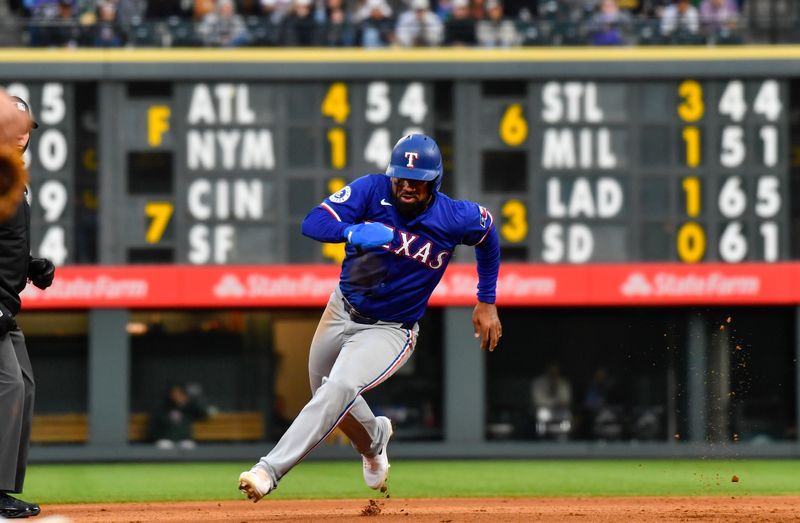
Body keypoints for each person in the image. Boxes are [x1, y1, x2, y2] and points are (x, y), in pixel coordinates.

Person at [238, 133, 502, 502]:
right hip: (341, 308)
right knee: (328, 394)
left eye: (417, 180)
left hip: (391, 330)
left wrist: (486, 299)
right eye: (401, 177)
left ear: (434, 181)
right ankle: (374, 441)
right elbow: (313, 222)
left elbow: (489, 235)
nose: (407, 186)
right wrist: (350, 230)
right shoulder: (370, 190)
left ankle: (268, 470)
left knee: (339, 387)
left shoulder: (454, 216)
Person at [0, 94, 56, 519]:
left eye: (28, 127)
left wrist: (30, 264)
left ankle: (5, 489)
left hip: (6, 301)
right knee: (9, 387)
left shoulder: (12, 175)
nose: (25, 133)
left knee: (24, 385)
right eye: (17, 124)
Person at [150, 383, 215, 450]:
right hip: (166, 440)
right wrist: (156, 437)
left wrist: (188, 403)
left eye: (180, 393)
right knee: (164, 445)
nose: (177, 396)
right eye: (174, 393)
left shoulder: (189, 407)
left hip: (184, 440)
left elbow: (204, 415)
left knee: (188, 445)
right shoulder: (162, 408)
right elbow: (154, 426)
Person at [531, 363, 572, 440]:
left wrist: (561, 403)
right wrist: (554, 403)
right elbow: (537, 400)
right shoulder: (538, 382)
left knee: (566, 414)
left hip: (559, 410)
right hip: (544, 409)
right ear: (547, 371)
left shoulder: (563, 383)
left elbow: (566, 399)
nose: (553, 374)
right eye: (551, 372)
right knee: (541, 414)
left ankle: (564, 436)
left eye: (555, 372)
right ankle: (541, 436)